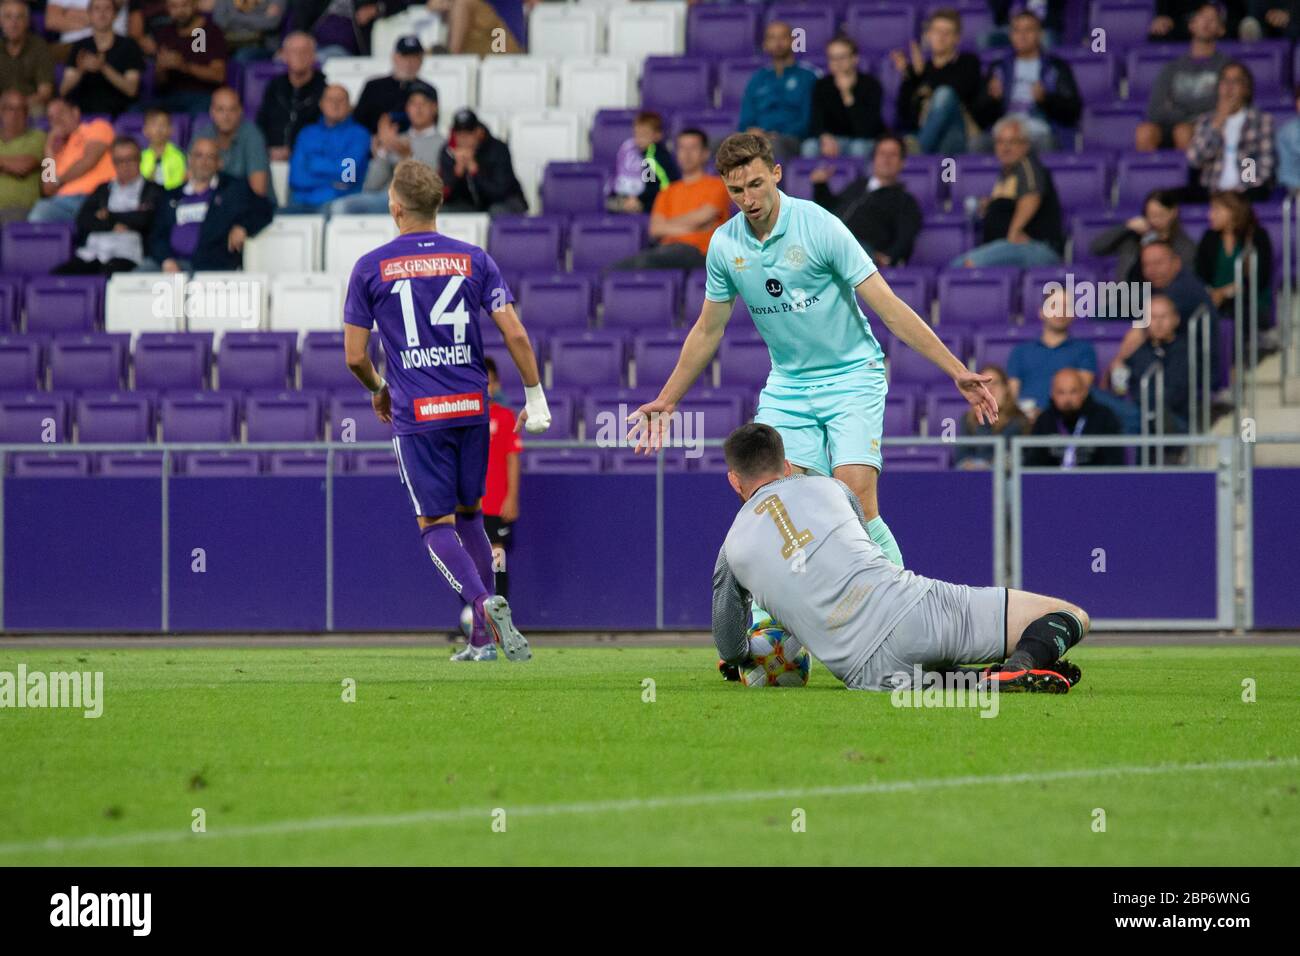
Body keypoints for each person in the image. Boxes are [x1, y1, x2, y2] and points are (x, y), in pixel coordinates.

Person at [629, 132, 997, 596]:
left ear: (776, 173)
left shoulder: (821, 227)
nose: (749, 199)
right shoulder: (725, 245)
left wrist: (956, 370)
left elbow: (888, 306)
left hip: (852, 376)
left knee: (855, 502)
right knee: (771, 503)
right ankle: (775, 630)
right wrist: (667, 399)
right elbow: (708, 329)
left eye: (757, 185)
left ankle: (907, 607)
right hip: (788, 385)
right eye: (737, 190)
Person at [341, 159, 551, 662]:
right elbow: (515, 332)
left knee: (435, 526)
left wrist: (378, 387)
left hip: (420, 415)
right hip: (472, 408)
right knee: (471, 516)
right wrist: (535, 396)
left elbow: (353, 356)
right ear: (438, 204)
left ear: (395, 209)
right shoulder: (475, 259)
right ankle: (483, 641)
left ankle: (481, 605)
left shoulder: (371, 267)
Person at [711, 422, 1090, 693]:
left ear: (733, 480)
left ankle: (973, 680)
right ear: (788, 465)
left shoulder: (731, 550)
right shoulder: (832, 488)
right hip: (917, 612)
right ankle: (1022, 664)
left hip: (862, 671)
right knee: (1071, 615)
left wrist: (748, 655)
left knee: (924, 674)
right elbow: (857, 554)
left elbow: (729, 646)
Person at [950, 115, 1063, 268]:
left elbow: (1031, 196)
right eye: (1000, 142)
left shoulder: (1028, 165)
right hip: (1010, 248)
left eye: (1012, 142)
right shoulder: (1006, 173)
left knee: (965, 265)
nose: (1005, 148)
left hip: (1035, 247)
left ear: (1025, 145)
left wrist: (1014, 232)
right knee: (958, 265)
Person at [609, 128, 728, 271]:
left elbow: (702, 216)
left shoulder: (717, 185)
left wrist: (668, 225)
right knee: (616, 271)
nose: (687, 154)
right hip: (667, 252)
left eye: (693, 148)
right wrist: (695, 228)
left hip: (700, 253)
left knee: (641, 263)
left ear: (705, 154)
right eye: (682, 148)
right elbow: (655, 229)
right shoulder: (667, 191)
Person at [148, 137, 273, 271]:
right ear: (189, 159)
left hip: (209, 267)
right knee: (137, 278)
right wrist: (166, 260)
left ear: (219, 162)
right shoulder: (171, 195)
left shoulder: (233, 189)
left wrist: (243, 226)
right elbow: (156, 236)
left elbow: (264, 209)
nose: (204, 162)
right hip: (169, 265)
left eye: (210, 157)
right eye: (199, 156)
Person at [972, 9, 1080, 153]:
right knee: (977, 145)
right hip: (1004, 129)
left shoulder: (1055, 67)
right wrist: (992, 99)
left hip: (1037, 131)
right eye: (1017, 31)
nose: (1022, 36)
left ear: (1040, 34)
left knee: (1047, 144)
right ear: (1011, 35)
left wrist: (1046, 99)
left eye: (1028, 30)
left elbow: (1073, 111)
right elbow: (979, 116)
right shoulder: (998, 67)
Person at [54, 135, 164, 275]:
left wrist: (108, 215)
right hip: (91, 254)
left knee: (108, 276)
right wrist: (113, 225)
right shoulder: (103, 189)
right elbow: (83, 219)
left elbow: (145, 220)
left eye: (130, 159)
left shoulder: (153, 190)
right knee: (59, 276)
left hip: (126, 255)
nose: (125, 165)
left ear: (139, 159)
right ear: (113, 162)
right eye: (120, 161)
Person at [809, 133, 922, 267]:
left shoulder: (905, 200)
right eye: (882, 154)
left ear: (902, 163)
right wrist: (820, 186)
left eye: (892, 155)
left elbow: (905, 236)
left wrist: (890, 257)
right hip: (831, 242)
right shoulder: (858, 185)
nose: (886, 159)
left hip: (862, 253)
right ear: (874, 159)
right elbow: (830, 208)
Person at [329, 83, 442, 215]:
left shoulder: (442, 143)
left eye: (424, 103)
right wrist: (383, 151)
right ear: (407, 108)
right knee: (340, 207)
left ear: (434, 108)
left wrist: (407, 157)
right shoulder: (395, 139)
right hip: (386, 200)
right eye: (413, 103)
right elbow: (371, 185)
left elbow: (430, 188)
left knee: (343, 207)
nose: (418, 108)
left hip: (415, 203)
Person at [1137, 2, 1230, 152]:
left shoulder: (1226, 66)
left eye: (1212, 19)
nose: (1206, 22)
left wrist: (1177, 107)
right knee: (1144, 132)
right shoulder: (1172, 68)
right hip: (1173, 125)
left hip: (1208, 127)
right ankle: (1147, 176)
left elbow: (1221, 105)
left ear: (1221, 30)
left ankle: (1188, 175)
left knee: (1183, 131)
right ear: (1191, 25)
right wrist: (1189, 113)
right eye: (1202, 17)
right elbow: (1155, 110)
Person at [892, 8, 983, 156]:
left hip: (959, 132)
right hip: (925, 133)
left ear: (957, 38)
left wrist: (921, 74)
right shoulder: (920, 69)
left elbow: (960, 91)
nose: (941, 37)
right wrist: (909, 76)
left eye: (947, 33)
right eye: (936, 31)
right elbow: (904, 115)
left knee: (944, 94)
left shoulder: (968, 62)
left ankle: (919, 152)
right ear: (928, 35)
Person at [1185, 61, 1275, 202]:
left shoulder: (1260, 120)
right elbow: (1195, 159)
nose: (1229, 87)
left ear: (1246, 89)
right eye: (1225, 81)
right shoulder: (1206, 121)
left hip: (1247, 191)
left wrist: (1244, 186)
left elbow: (1265, 163)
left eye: (1235, 81)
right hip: (1212, 191)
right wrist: (1217, 125)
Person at [1007, 286, 1098, 417]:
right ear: (1041, 312)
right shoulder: (1020, 351)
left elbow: (1079, 394)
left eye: (1066, 307)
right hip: (1025, 422)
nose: (1061, 311)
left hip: (1066, 420)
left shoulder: (1084, 350)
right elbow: (1012, 394)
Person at [737, 21, 817, 162]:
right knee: (717, 146)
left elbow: (808, 120)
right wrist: (751, 131)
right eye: (772, 38)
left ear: (793, 41)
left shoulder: (808, 77)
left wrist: (778, 133)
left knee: (772, 146)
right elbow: (745, 119)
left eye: (782, 37)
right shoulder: (758, 78)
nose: (778, 43)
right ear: (765, 44)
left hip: (790, 139)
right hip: (757, 137)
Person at [1195, 188, 1272, 331]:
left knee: (1239, 314)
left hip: (1248, 304)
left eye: (1216, 210)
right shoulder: (1209, 238)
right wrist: (1212, 294)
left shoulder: (1257, 237)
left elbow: (1259, 279)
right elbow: (1200, 274)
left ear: (1233, 211)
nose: (1210, 215)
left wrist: (1224, 293)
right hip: (1214, 303)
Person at [27, 97, 115, 223]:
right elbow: (47, 189)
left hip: (95, 197)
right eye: (52, 117)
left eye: (61, 113)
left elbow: (89, 160)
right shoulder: (57, 151)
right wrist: (49, 150)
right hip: (62, 203)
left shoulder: (96, 127)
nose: (57, 120)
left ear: (75, 112)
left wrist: (59, 181)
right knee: (39, 214)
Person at [286, 84, 370, 211]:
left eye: (341, 100)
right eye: (330, 100)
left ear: (349, 106)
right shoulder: (307, 133)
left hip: (337, 201)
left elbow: (348, 175)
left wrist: (314, 164)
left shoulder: (359, 134)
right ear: (321, 104)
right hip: (300, 202)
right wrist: (332, 180)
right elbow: (296, 177)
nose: (335, 104)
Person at [1089, 188, 1198, 284]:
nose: (1154, 221)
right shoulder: (1132, 238)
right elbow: (1096, 248)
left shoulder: (1184, 246)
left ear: (1173, 212)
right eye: (1150, 215)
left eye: (1159, 215)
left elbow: (1187, 278)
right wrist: (1126, 227)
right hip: (1127, 298)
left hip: (1163, 300)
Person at [802, 34, 884, 160]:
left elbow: (866, 130)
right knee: (809, 147)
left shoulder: (871, 85)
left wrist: (847, 95)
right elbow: (816, 121)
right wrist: (824, 136)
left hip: (861, 140)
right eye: (832, 58)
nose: (837, 63)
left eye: (842, 57)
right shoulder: (821, 85)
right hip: (832, 140)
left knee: (859, 148)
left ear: (854, 58)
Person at [1024, 368, 1125, 467]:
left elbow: (1114, 462)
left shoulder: (1104, 417)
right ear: (1052, 394)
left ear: (1084, 392)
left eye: (1073, 392)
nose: (1067, 399)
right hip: (1052, 482)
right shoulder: (1044, 420)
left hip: (1095, 481)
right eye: (1061, 392)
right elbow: (1033, 464)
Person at [60, 0, 145, 119]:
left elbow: (131, 89)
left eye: (107, 9)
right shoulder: (80, 47)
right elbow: (63, 90)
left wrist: (103, 67)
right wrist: (81, 70)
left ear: (115, 14)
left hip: (120, 113)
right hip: (83, 114)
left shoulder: (129, 46)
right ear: (89, 14)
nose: (102, 13)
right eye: (97, 9)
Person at [1122, 293, 1192, 433]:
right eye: (1153, 317)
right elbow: (1119, 385)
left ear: (1176, 319)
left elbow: (1174, 396)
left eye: (1163, 317)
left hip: (1173, 419)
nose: (1158, 322)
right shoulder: (1138, 350)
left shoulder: (1185, 351)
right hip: (1138, 415)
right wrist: (1125, 350)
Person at [482, 355, 521, 600]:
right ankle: (472, 620)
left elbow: (513, 459)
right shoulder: (462, 420)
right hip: (470, 504)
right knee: (471, 563)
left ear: (495, 386)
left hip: (497, 504)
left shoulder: (505, 417)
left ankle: (501, 617)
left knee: (498, 559)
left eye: (488, 382)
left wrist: (512, 498)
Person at [439, 108, 526, 215]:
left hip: (507, 202)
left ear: (479, 132)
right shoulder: (448, 152)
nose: (464, 139)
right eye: (460, 134)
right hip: (471, 206)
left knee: (496, 210)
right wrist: (457, 173)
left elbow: (501, 192)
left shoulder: (498, 149)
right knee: (442, 212)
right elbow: (444, 196)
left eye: (468, 134)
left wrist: (475, 172)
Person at [149, 0, 228, 115]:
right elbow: (160, 83)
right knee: (137, 113)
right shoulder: (165, 33)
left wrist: (184, 66)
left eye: (184, 5)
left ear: (195, 5)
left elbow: (219, 75)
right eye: (174, 6)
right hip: (170, 96)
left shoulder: (212, 31)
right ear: (167, 8)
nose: (180, 11)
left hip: (203, 95)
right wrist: (161, 69)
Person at [256, 31, 325, 162]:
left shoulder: (324, 89)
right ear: (284, 55)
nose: (299, 56)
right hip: (270, 156)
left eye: (304, 51)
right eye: (293, 51)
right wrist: (267, 149)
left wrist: (294, 150)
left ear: (313, 56)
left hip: (309, 159)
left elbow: (326, 130)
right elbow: (262, 121)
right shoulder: (274, 86)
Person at [192, 86, 271, 198]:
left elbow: (258, 190)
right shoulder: (203, 136)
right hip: (215, 207)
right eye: (220, 109)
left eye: (232, 109)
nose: (226, 116)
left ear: (240, 112)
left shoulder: (253, 136)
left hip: (253, 208)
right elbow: (190, 178)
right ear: (211, 112)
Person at [352, 35, 434, 135]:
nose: (409, 62)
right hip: (374, 145)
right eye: (404, 56)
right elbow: (358, 122)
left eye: (414, 57)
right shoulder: (373, 87)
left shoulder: (428, 90)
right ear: (394, 57)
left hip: (415, 146)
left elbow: (430, 128)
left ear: (421, 60)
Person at [955, 364, 1028, 468]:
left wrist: (989, 466)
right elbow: (961, 456)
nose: (989, 389)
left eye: (995, 383)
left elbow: (1020, 457)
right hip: (974, 475)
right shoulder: (967, 419)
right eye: (983, 385)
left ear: (1006, 388)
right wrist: (972, 465)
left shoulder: (1019, 419)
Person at [608, 110, 679, 214]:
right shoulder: (643, 154)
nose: (639, 139)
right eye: (637, 134)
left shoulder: (653, 157)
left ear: (657, 135)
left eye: (644, 134)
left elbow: (663, 185)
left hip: (661, 202)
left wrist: (639, 200)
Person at [0, 0, 55, 118]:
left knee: (38, 111)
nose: (14, 23)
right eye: (8, 17)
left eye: (19, 17)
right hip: (2, 105)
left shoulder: (39, 47)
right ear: (1, 21)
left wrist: (18, 105)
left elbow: (45, 92)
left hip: (30, 104)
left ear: (27, 22)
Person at [0, 90, 45, 224]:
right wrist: (9, 164)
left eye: (22, 109)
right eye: (11, 109)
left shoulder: (39, 138)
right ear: (1, 112)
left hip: (18, 209)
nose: (16, 114)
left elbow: (23, 166)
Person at [286, 0, 386, 60]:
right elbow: (299, 14)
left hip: (341, 49)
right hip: (313, 44)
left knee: (316, 59)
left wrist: (377, 8)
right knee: (283, 60)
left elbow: (398, 3)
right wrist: (287, 45)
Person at [211, 0, 285, 64]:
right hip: (230, 43)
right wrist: (260, 19)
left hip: (263, 46)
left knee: (242, 57)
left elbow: (271, 23)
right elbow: (219, 21)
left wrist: (235, 17)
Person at [140, 107, 186, 190]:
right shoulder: (140, 157)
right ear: (145, 130)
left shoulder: (179, 155)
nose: (158, 129)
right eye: (154, 124)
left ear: (171, 130)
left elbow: (181, 183)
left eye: (163, 124)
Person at [46, 0, 129, 46]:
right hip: (71, 46)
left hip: (111, 45)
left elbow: (115, 7)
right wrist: (99, 17)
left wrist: (68, 13)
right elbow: (51, 21)